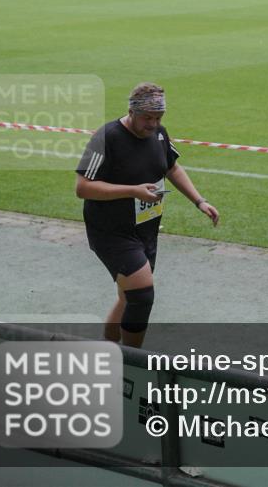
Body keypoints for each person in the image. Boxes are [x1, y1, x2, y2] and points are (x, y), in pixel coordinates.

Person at [75, 83, 219, 347]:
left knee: (127, 297)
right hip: (111, 232)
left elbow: (172, 168)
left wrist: (199, 201)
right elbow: (82, 187)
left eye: (158, 118)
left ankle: (108, 348)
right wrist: (133, 191)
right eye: (147, 118)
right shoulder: (107, 137)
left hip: (145, 230)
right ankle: (133, 359)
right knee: (141, 295)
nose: (153, 124)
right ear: (131, 111)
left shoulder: (159, 135)